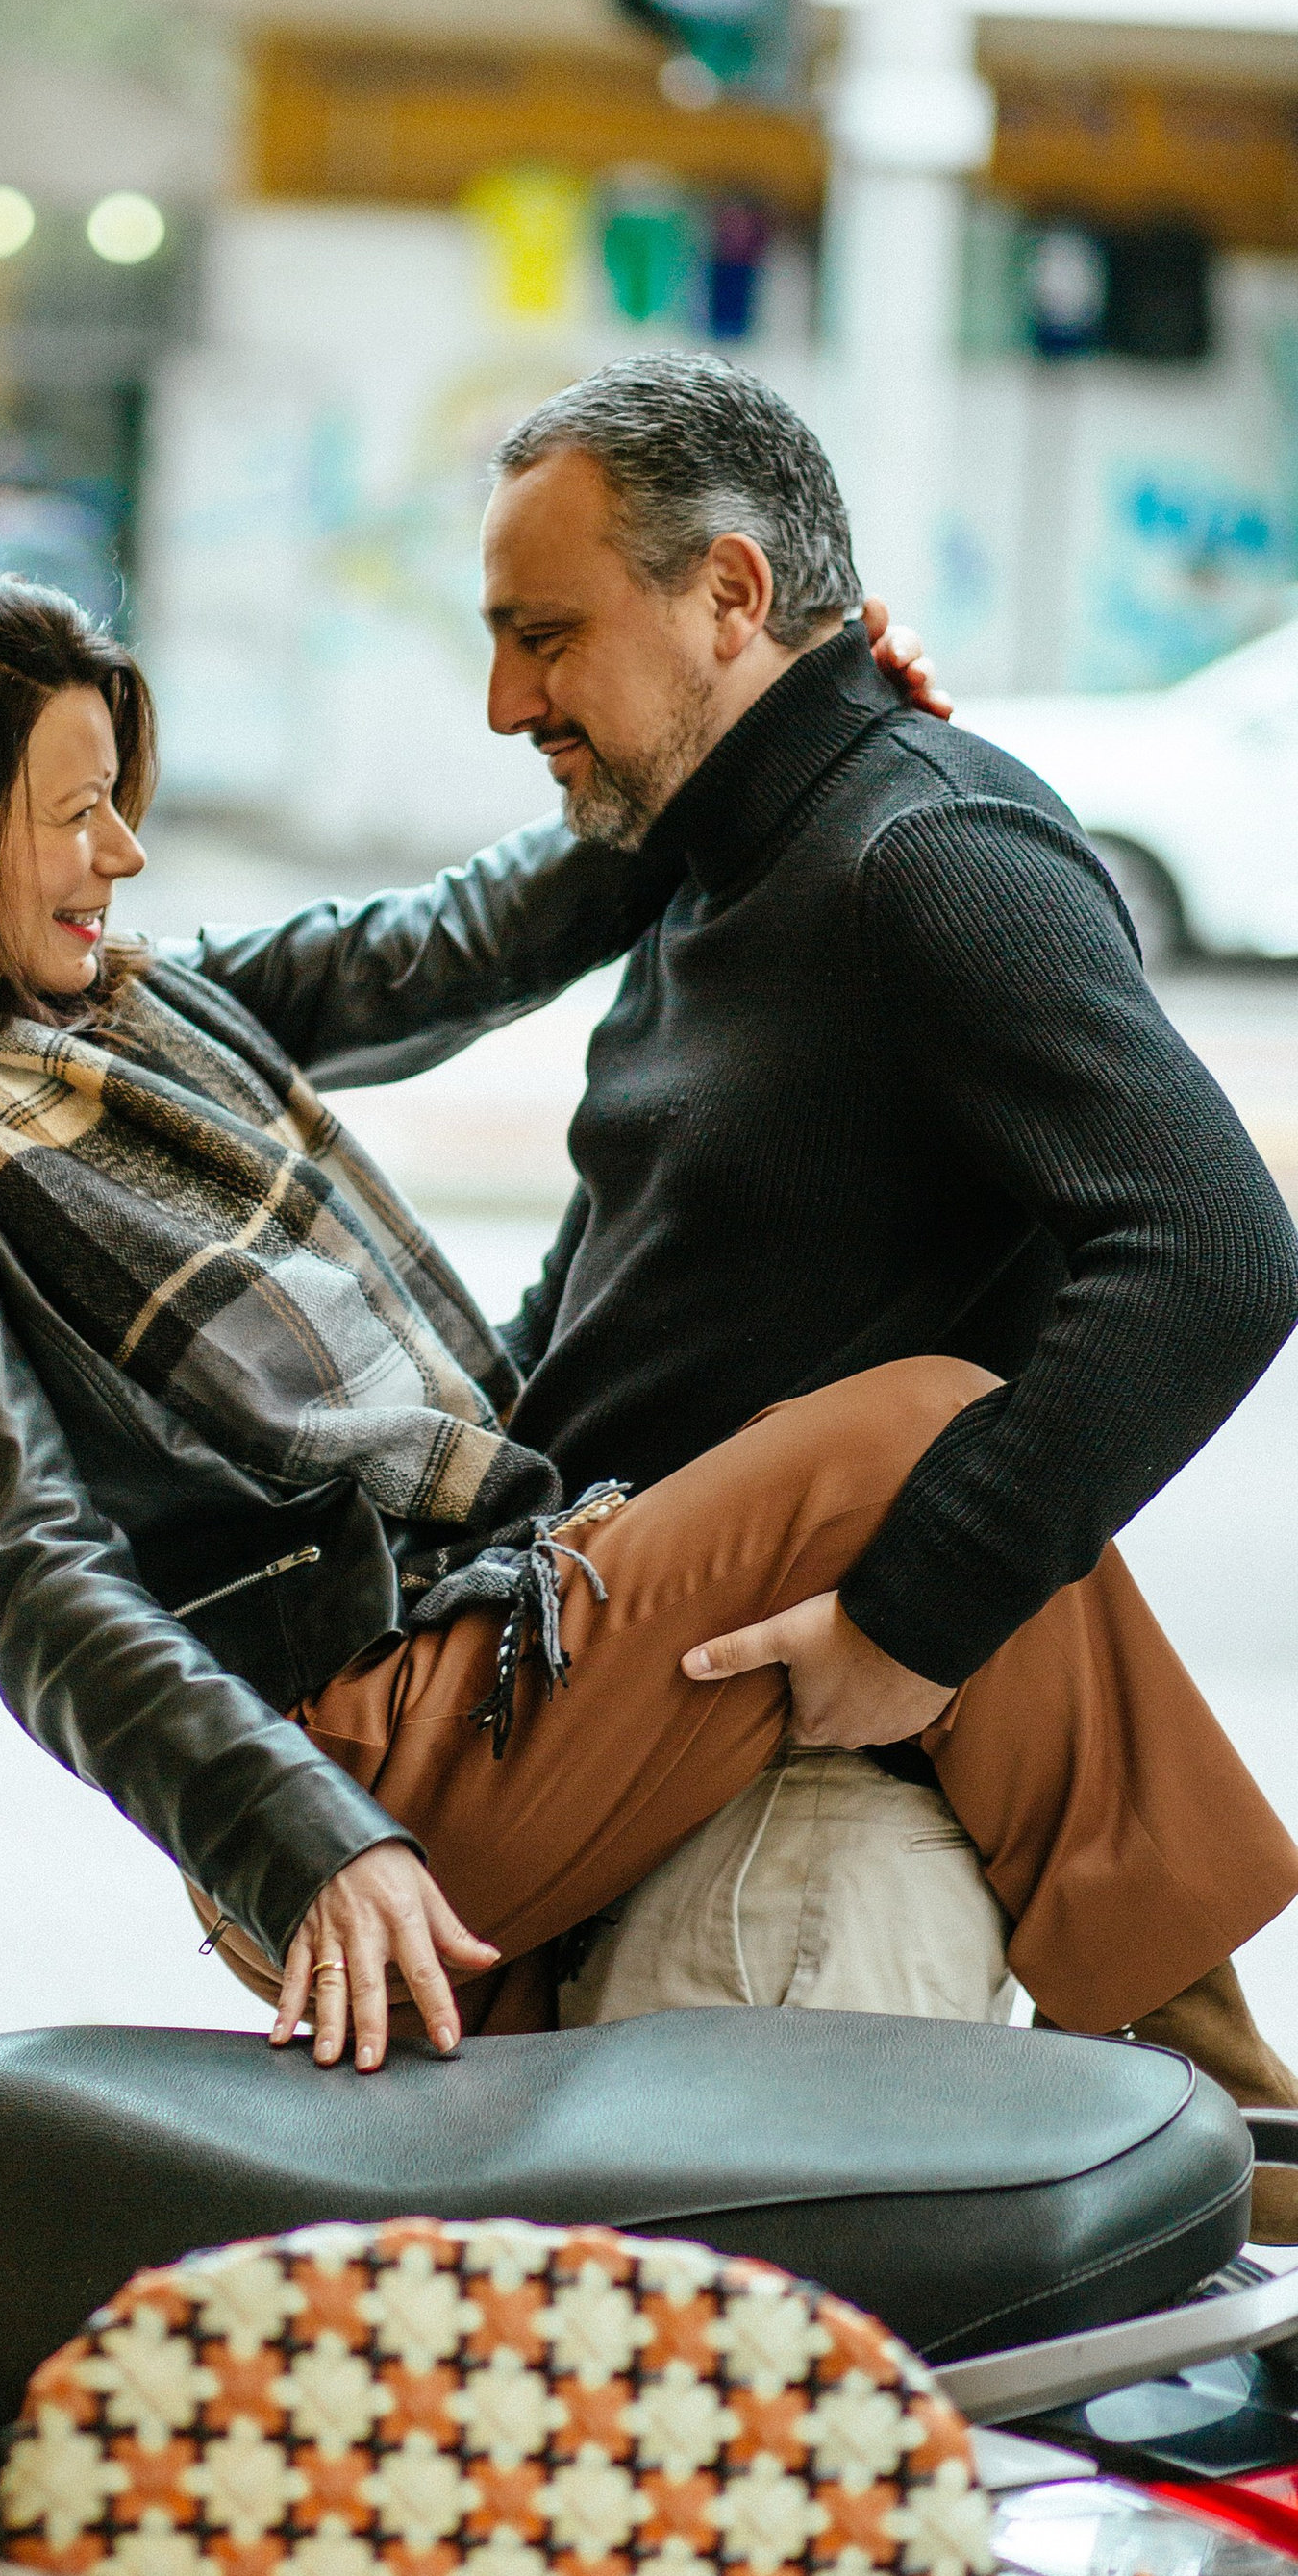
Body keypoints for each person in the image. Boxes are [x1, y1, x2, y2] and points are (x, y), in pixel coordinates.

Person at [0, 554, 1298, 2155]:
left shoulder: (111, 1011)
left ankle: (1217, 2127)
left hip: (468, 1633)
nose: (121, 855)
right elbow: (33, 1578)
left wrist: (770, 716)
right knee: (921, 1441)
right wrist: (309, 1842)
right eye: (75, 815)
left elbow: (442, 948)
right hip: (357, 1751)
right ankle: (1231, 2121)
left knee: (961, 1500)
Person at [440, 351, 1298, 2128]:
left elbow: (1213, 1248)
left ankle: (1223, 2124)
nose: (509, 698)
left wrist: (914, 1620)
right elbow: (615, 1293)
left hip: (791, 1847)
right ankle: (1227, 2114)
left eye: (549, 634)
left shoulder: (928, 849)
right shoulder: (710, 867)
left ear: (730, 594)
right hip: (628, 1761)